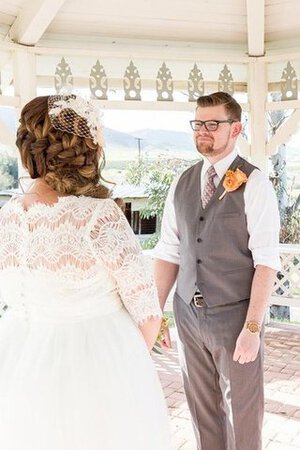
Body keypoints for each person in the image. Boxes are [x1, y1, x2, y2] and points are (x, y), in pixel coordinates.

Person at [0, 94, 170, 450]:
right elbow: (148, 315)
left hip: (19, 365)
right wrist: (126, 369)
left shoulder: (8, 216)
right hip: (96, 373)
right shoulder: (98, 216)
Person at [153, 91, 281, 450]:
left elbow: (266, 261)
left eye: (213, 124)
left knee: (243, 410)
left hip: (235, 315)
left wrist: (252, 328)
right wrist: (157, 313)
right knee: (201, 410)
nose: (203, 131)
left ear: (235, 128)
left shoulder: (255, 183)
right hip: (187, 314)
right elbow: (169, 252)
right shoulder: (182, 182)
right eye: (198, 124)